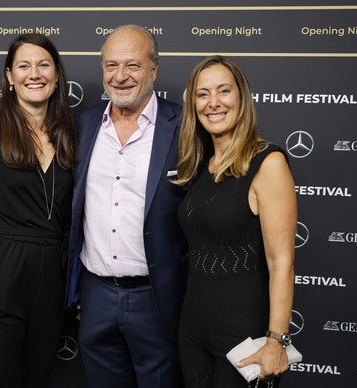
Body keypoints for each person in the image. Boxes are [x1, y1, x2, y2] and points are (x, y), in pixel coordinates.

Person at [66, 24, 188, 387]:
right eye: (111, 66)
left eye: (132, 65)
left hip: (157, 298)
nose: (120, 77)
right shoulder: (85, 124)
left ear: (154, 70)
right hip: (95, 296)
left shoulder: (183, 126)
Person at [0, 33, 76, 388]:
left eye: (44, 65)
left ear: (56, 75)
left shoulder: (71, 134)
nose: (34, 74)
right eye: (24, 66)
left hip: (52, 280)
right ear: (10, 76)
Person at [175, 55, 297, 388]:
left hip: (244, 336)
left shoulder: (267, 162)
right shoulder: (200, 164)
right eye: (202, 94)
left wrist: (277, 341)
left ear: (241, 97)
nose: (213, 103)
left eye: (223, 91)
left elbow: (281, 261)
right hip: (192, 331)